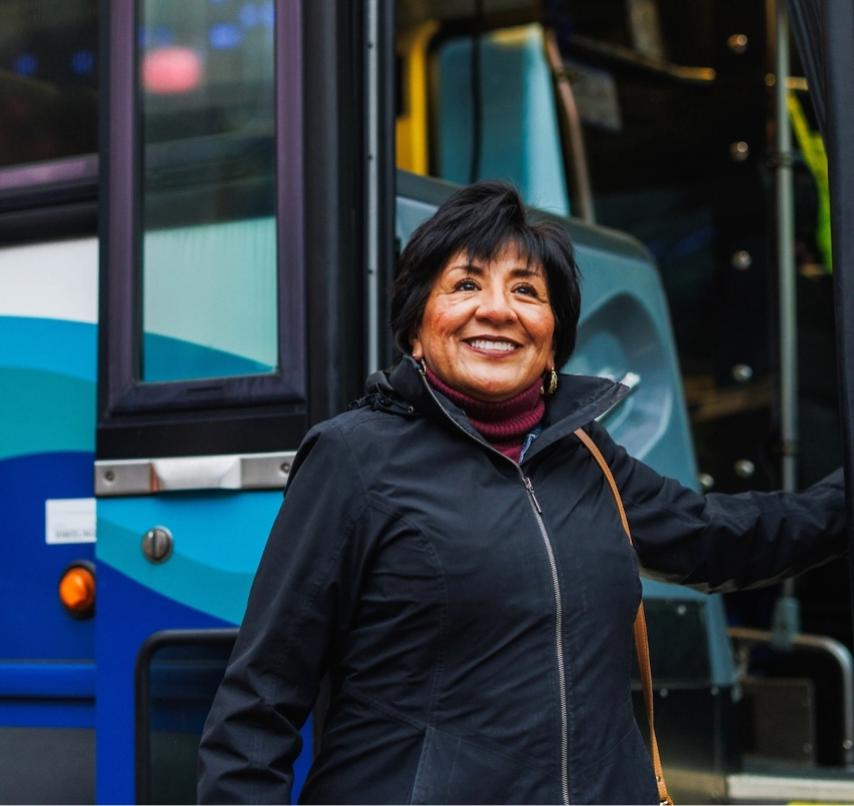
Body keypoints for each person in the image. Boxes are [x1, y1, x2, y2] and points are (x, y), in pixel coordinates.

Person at [197, 181, 846, 804]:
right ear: (416, 327)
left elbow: (721, 540)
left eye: (527, 291)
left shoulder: (588, 454)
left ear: (553, 338)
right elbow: (259, 703)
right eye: (466, 284)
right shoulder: (353, 458)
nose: (498, 309)